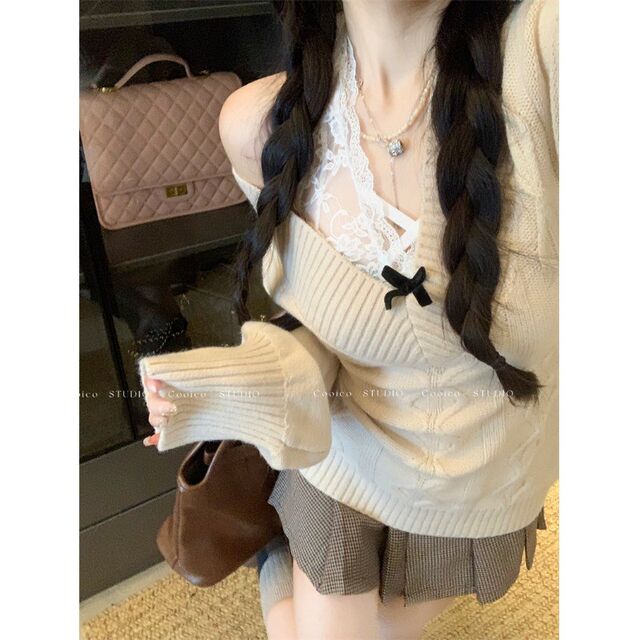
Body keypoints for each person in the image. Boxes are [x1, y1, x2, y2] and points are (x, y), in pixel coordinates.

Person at [139, 0, 558, 638]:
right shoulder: (261, 124)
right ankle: (290, 545)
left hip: (477, 466)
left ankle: (277, 557)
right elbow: (324, 326)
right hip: (341, 445)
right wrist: (236, 381)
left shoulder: (546, 51)